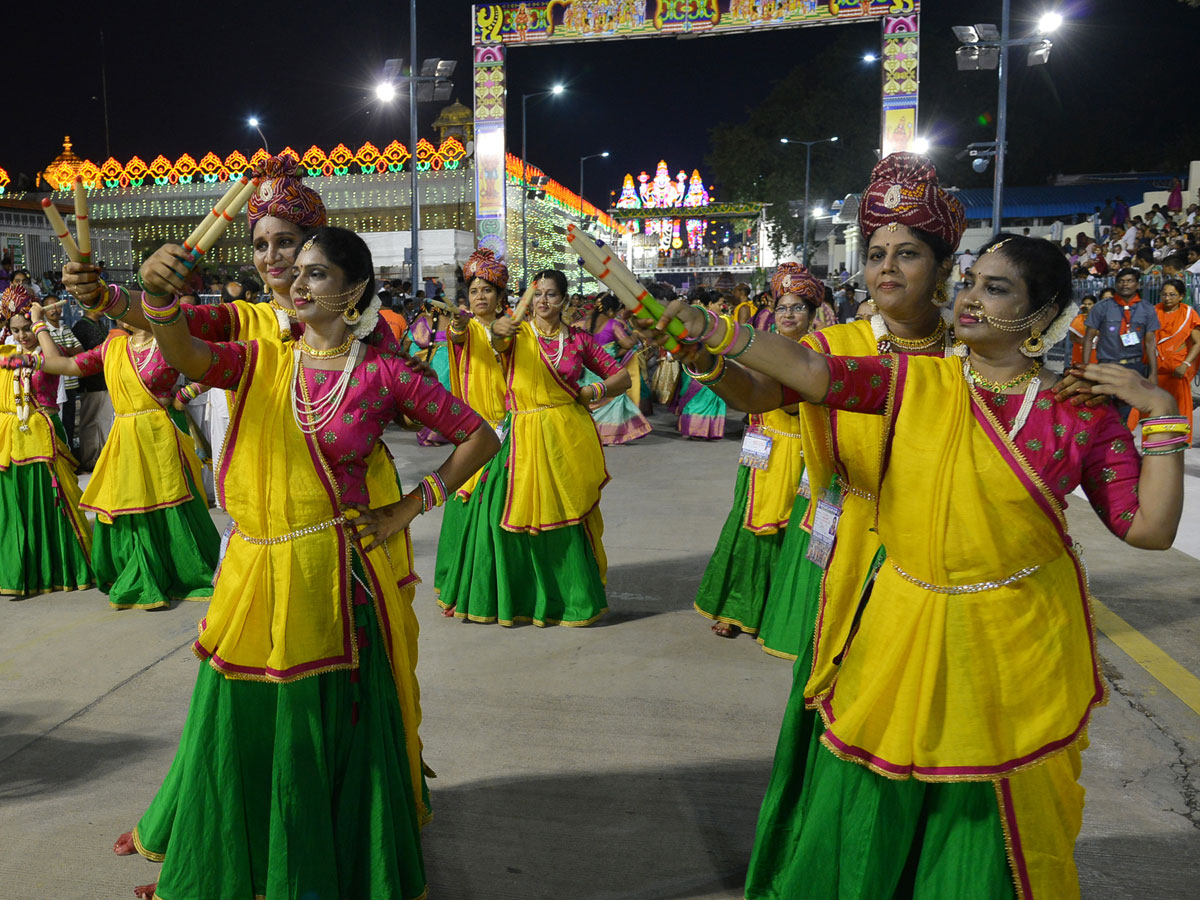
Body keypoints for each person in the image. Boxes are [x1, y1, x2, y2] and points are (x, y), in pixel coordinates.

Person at [654, 234, 1184, 900]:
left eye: (997, 288)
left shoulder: (1077, 413)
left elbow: (1150, 529)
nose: (969, 298)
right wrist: (708, 327)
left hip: (1018, 643)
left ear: (1044, 313)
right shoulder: (914, 381)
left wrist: (1162, 414)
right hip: (905, 624)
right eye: (969, 281)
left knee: (991, 814)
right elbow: (814, 374)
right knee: (871, 790)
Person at [125, 225, 500, 900]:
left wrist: (410, 507)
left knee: (320, 735)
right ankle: (239, 867)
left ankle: (332, 869)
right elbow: (184, 353)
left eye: (316, 273)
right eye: (295, 271)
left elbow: (479, 435)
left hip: (337, 582)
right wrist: (159, 305)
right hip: (256, 577)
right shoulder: (262, 360)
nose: (297, 283)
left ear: (354, 290)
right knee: (241, 726)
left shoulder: (384, 373)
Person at [439, 268, 631, 627]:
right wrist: (498, 329)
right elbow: (496, 339)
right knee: (507, 517)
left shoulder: (579, 341)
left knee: (566, 517)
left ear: (565, 300)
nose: (543, 301)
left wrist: (592, 392)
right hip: (522, 434)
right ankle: (518, 598)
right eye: (538, 294)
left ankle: (569, 600)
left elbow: (621, 376)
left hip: (567, 435)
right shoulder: (516, 333)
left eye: (551, 295)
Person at [23, 302, 220, 609]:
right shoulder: (112, 348)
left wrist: (185, 394)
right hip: (125, 436)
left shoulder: (171, 342)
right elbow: (59, 364)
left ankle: (183, 569)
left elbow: (219, 362)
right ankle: (141, 573)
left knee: (170, 502)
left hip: (160, 436)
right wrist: (38, 324)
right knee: (129, 507)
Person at [692, 262, 819, 645]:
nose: (789, 315)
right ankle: (735, 609)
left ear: (813, 315)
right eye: (782, 308)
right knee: (746, 524)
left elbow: (798, 404)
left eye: (798, 308)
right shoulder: (761, 346)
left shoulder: (817, 354)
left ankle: (776, 615)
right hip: (760, 448)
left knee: (786, 531)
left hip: (798, 453)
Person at [0, 285, 93, 598]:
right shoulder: (7, 357)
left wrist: (40, 323)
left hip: (46, 436)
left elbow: (54, 360)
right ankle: (23, 573)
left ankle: (60, 570)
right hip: (14, 441)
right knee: (19, 507)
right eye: (16, 330)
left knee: (52, 504)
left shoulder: (47, 352)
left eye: (26, 329)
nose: (23, 335)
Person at [434, 249, 510, 600]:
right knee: (468, 506)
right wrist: (458, 325)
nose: (480, 297)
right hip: (474, 431)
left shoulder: (513, 329)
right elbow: (457, 334)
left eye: (487, 290)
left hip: (510, 430)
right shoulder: (465, 328)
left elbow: (504, 341)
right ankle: (467, 588)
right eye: (475, 290)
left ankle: (496, 589)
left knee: (498, 510)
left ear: (500, 296)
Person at [1082, 267, 1161, 421]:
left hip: (1133, 367)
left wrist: (1153, 373)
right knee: (1104, 409)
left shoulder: (1147, 309)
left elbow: (1150, 343)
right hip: (1107, 365)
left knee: (1124, 411)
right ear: (1116, 284)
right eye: (1121, 281)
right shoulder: (1102, 307)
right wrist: (1085, 368)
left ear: (1137, 285)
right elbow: (1088, 338)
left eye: (1130, 281)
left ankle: (1116, 442)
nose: (1125, 284)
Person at [1147, 278, 1200, 433]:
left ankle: (1177, 443)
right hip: (1157, 371)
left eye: (1172, 295)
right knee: (1156, 411)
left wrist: (1186, 364)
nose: (1168, 298)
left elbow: (1198, 343)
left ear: (1181, 296)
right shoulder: (1154, 311)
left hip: (1177, 371)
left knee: (1178, 410)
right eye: (1164, 295)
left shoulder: (1189, 314)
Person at [71, 300, 113, 471]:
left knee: (103, 421)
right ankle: (89, 459)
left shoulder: (101, 324)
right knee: (90, 422)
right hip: (90, 382)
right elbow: (81, 357)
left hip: (104, 380)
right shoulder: (81, 327)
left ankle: (102, 457)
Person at [42, 299, 83, 448]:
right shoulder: (43, 332)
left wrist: (61, 351)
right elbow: (53, 356)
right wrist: (65, 352)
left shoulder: (65, 328)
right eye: (50, 307)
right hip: (55, 386)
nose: (55, 310)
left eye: (58, 306)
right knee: (57, 424)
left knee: (69, 423)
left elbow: (80, 350)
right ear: (44, 311)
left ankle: (70, 458)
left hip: (70, 384)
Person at [1069, 295, 1099, 365]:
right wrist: (1081, 341)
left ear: (1094, 305)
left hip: (1096, 354)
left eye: (1089, 304)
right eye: (1085, 304)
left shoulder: (1100, 318)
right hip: (1080, 353)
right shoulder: (1078, 320)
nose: (1087, 306)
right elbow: (1072, 337)